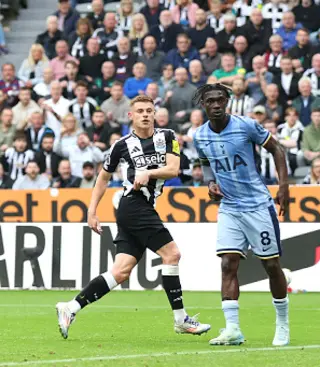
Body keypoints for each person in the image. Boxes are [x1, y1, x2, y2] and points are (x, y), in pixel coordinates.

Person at [55, 95, 211, 340]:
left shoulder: (168, 136)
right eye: (140, 111)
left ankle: (70, 307)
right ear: (131, 116)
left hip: (140, 207)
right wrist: (92, 211)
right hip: (133, 205)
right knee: (172, 254)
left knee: (120, 271)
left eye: (149, 110)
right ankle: (181, 320)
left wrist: (147, 172)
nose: (146, 114)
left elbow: (173, 169)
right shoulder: (121, 145)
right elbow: (103, 178)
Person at [192, 83, 291, 347]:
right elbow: (204, 163)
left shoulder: (245, 126)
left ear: (227, 100)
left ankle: (282, 323)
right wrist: (210, 183)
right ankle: (233, 329)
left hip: (258, 204)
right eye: (209, 101)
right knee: (227, 264)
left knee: (270, 265)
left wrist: (283, 186)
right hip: (229, 207)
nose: (215, 105)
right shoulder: (199, 136)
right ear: (203, 104)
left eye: (219, 100)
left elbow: (277, 149)